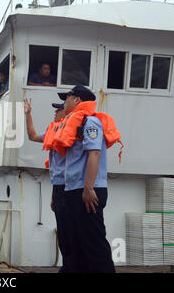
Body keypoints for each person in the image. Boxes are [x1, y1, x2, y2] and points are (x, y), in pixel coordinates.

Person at [55, 85, 115, 273]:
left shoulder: (90, 122)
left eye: (68, 97)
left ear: (77, 100)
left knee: (93, 243)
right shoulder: (73, 123)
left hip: (87, 190)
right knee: (76, 242)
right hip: (73, 190)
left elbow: (94, 153)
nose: (65, 102)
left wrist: (89, 188)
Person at [24, 99, 69, 273]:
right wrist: (28, 114)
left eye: (58, 110)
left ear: (66, 113)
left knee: (69, 229)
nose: (55, 112)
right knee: (63, 230)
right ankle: (68, 266)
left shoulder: (70, 132)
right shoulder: (53, 131)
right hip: (58, 187)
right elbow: (33, 136)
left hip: (69, 187)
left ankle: (71, 266)